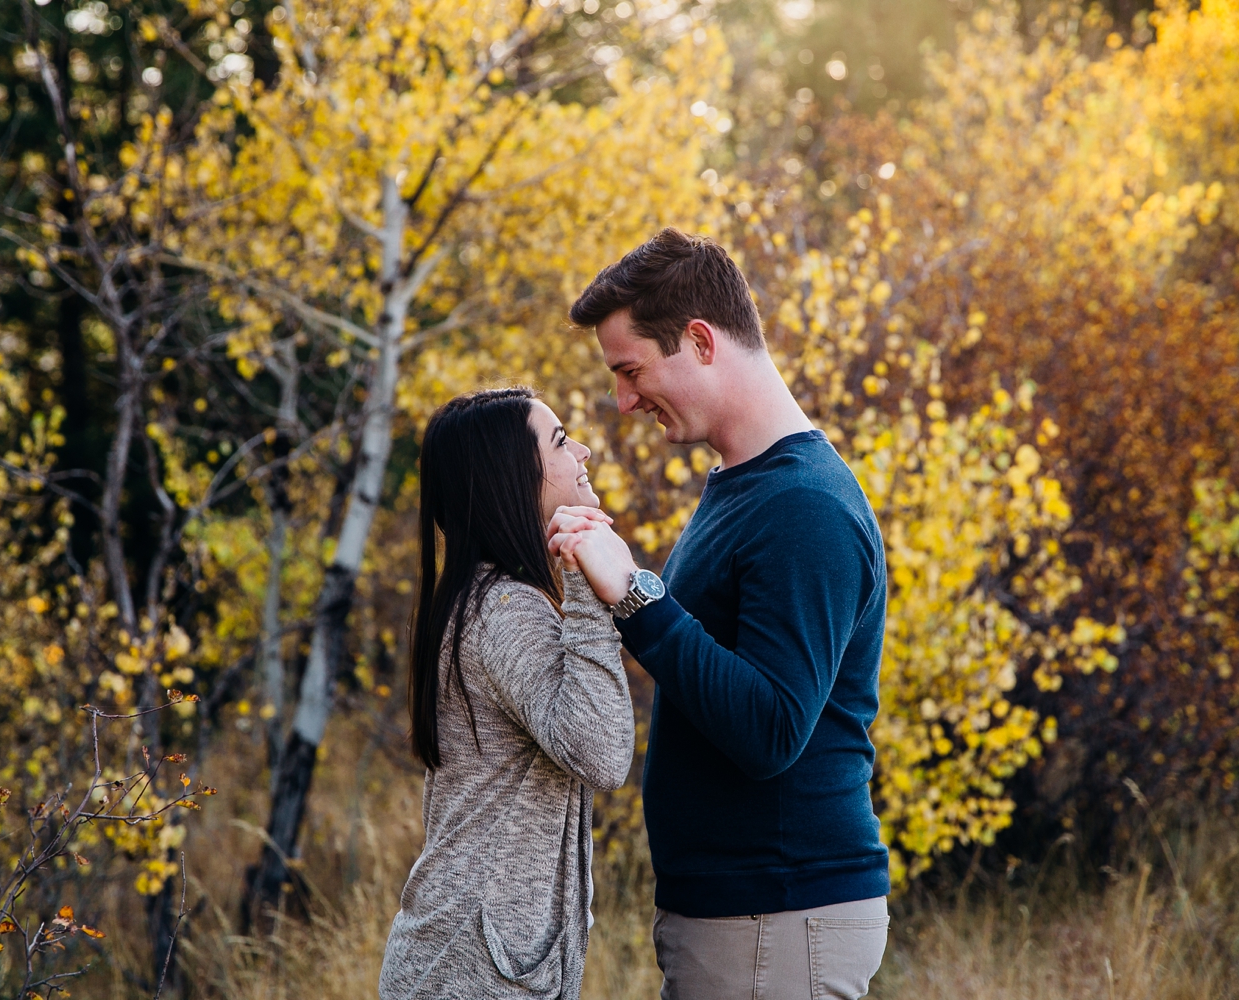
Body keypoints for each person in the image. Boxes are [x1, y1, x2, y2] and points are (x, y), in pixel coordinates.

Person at [550, 229, 891, 1000]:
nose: (623, 400)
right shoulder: (746, 485)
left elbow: (771, 729)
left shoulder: (802, 505)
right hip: (748, 919)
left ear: (700, 341)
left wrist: (635, 595)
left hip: (778, 914)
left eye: (630, 371)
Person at [378, 387, 636, 1000]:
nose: (585, 451)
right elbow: (602, 753)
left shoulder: (484, 596)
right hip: (471, 972)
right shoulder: (506, 609)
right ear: (512, 479)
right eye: (561, 441)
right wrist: (584, 588)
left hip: (466, 960)